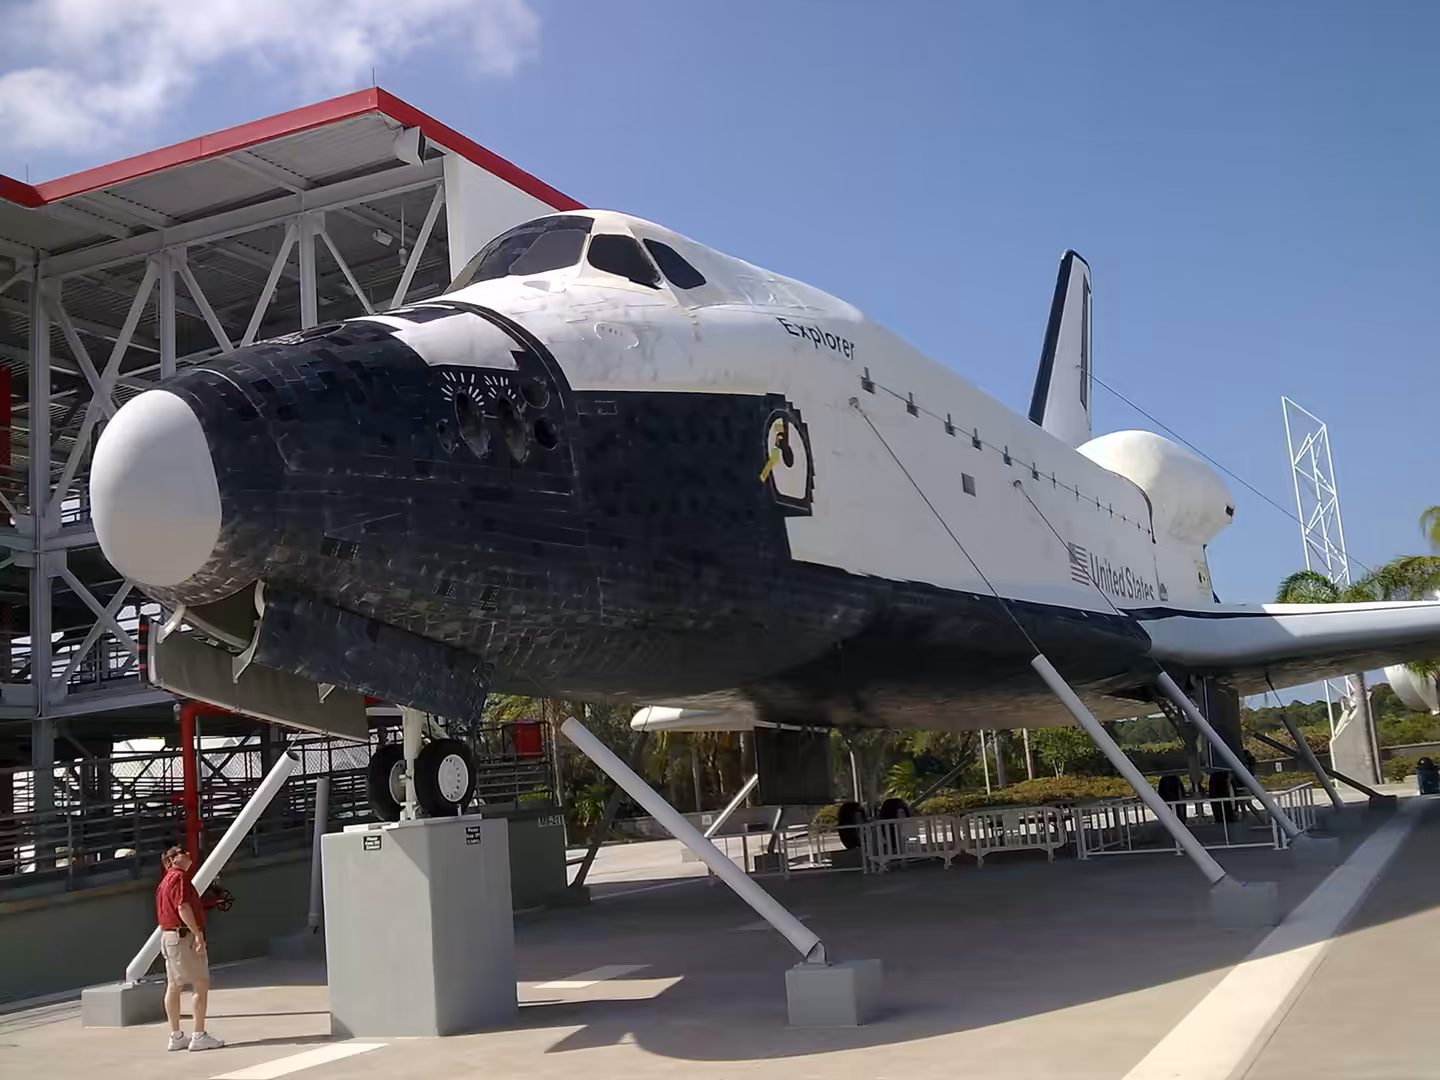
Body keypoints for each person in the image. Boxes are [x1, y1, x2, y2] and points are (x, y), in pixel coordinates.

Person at [156, 845, 224, 1052]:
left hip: (169, 936)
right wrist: (197, 934)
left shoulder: (163, 883)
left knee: (174, 985)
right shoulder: (180, 879)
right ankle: (199, 1034)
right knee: (200, 982)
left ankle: (176, 1035)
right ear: (173, 860)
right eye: (183, 852)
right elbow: (183, 907)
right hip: (183, 936)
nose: (188, 854)